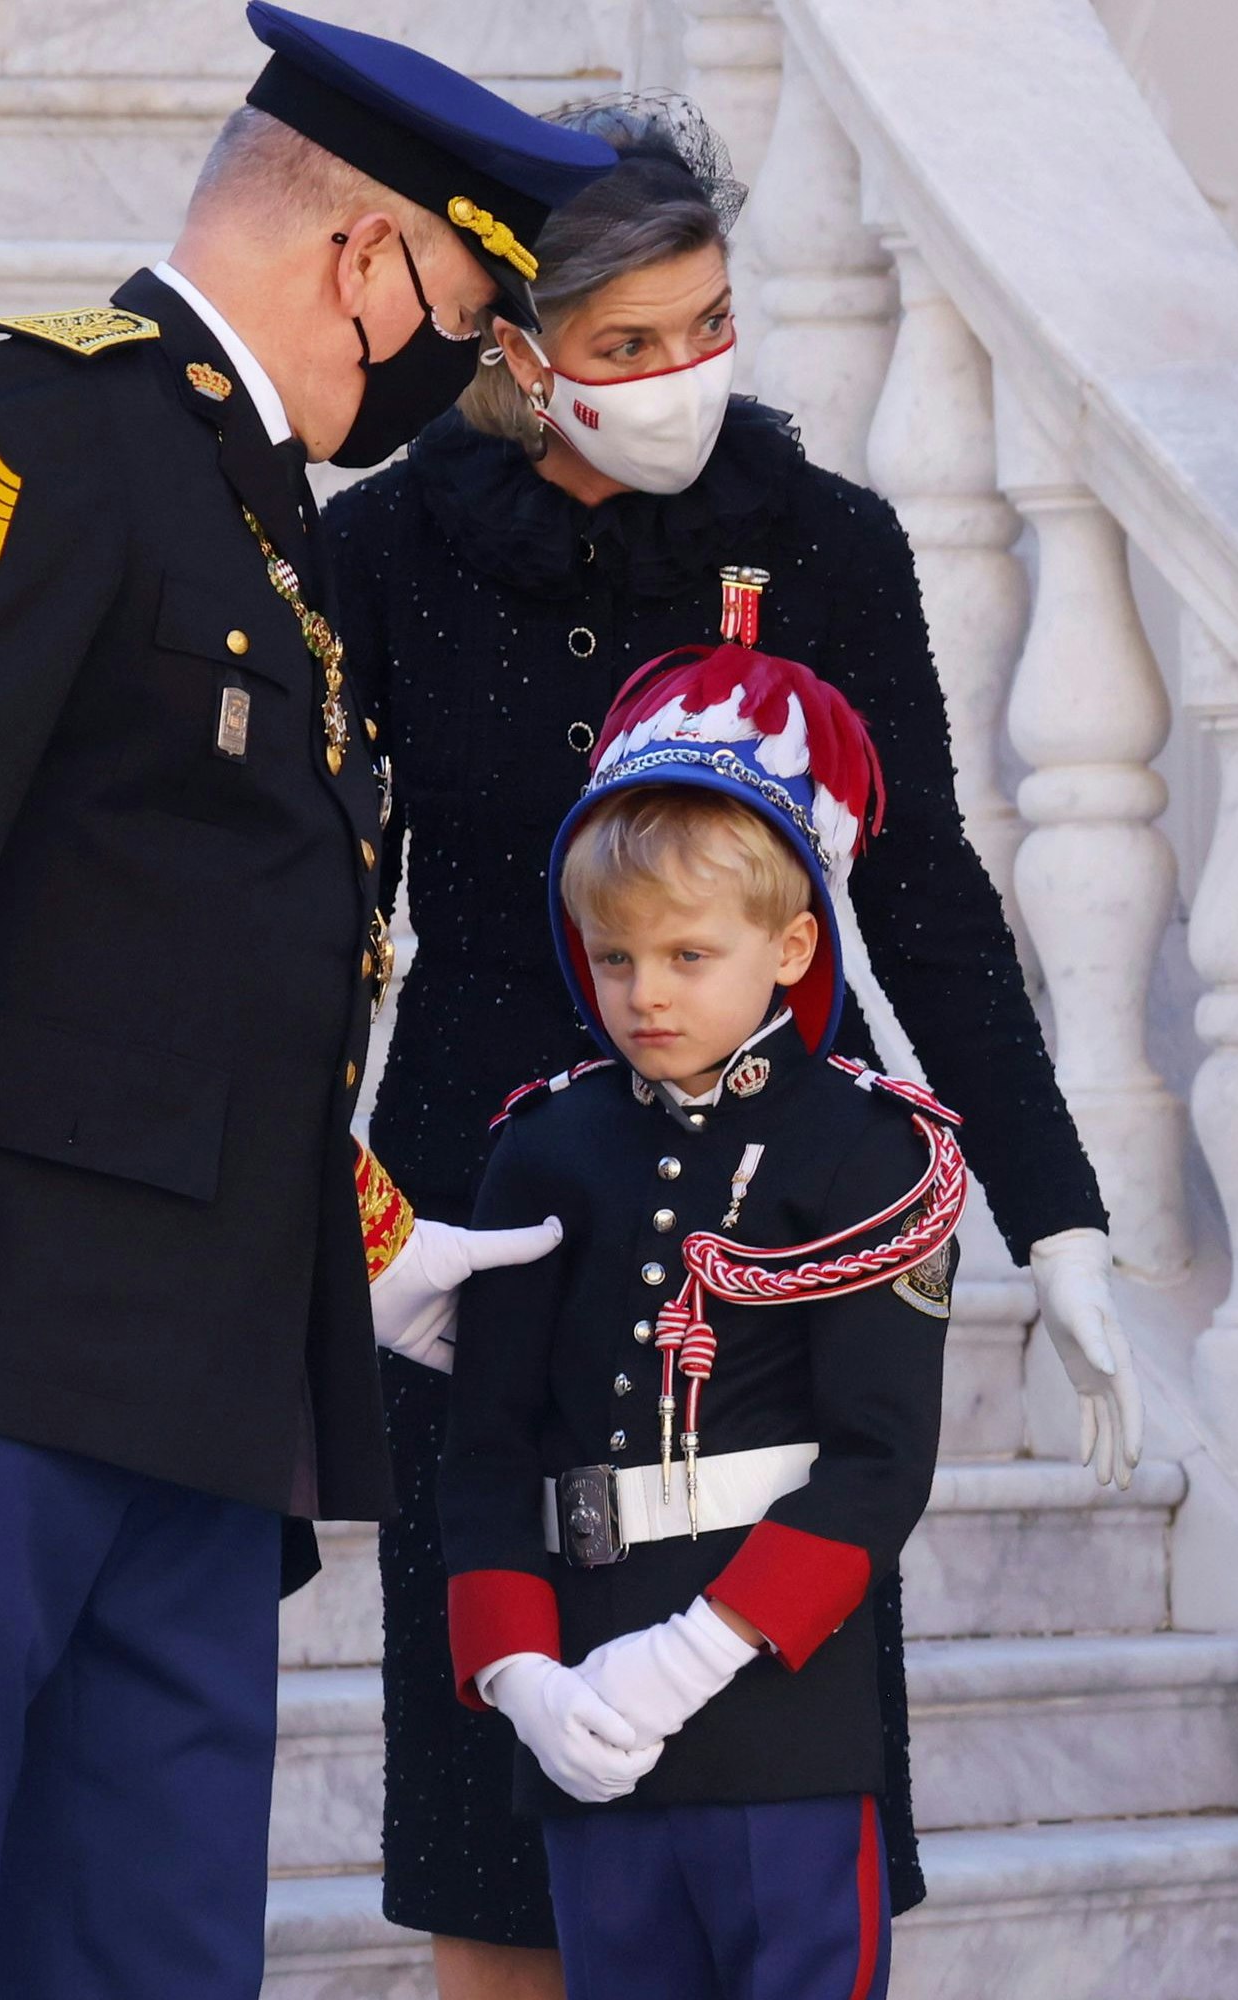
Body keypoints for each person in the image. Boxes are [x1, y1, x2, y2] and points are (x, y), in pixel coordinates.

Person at [0, 10, 614, 1995]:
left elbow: (167, 948)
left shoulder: (261, 514)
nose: (467, 366)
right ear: (358, 259)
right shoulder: (37, 439)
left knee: (150, 1949)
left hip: (190, 1375)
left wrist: (366, 1240)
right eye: (461, 304)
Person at [323, 93, 1132, 1998]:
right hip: (489, 1225)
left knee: (784, 1797)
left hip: (778, 1225)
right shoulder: (384, 555)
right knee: (497, 1818)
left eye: (709, 320)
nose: (684, 375)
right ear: (505, 354)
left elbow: (925, 896)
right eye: (625, 347)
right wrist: (350, 1215)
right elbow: (310, 919)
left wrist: (1063, 1214)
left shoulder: (827, 542)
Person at [441, 644, 957, 1998]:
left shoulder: (866, 1154)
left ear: (791, 949)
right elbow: (488, 1448)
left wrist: (701, 1651)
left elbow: (877, 1463)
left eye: (687, 954)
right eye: (613, 957)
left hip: (780, 1705)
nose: (644, 993)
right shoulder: (544, 1150)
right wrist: (520, 1676)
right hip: (584, 1706)